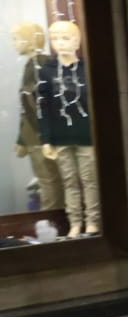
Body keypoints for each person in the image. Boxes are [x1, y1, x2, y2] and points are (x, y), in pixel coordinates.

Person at [35, 19, 98, 236]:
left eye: (66, 37)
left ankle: (93, 221)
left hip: (86, 135)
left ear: (77, 40)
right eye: (55, 38)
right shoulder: (47, 71)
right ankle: (75, 222)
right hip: (61, 136)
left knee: (89, 179)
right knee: (69, 181)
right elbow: (43, 106)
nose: (60, 43)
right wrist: (46, 139)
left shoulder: (86, 69)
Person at [12, 21, 63, 213]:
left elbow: (39, 104)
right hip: (36, 135)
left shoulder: (40, 64)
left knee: (49, 181)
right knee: (48, 182)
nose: (14, 43)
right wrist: (22, 139)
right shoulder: (34, 64)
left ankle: (51, 223)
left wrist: (43, 138)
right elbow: (29, 104)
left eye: (17, 38)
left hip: (41, 136)